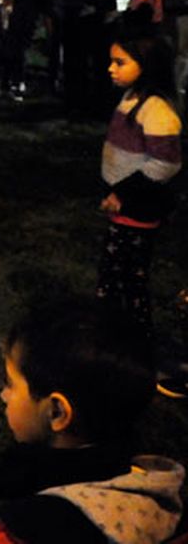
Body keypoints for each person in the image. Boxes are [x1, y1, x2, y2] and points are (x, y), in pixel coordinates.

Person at [0, 297, 183, 544]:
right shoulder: (159, 499)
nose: (3, 396)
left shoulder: (31, 528)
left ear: (57, 412)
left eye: (12, 385)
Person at [97, 33, 181, 347]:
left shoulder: (157, 111)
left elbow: (165, 164)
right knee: (114, 275)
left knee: (128, 279)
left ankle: (135, 340)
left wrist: (123, 193)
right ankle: (113, 332)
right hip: (125, 206)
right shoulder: (131, 97)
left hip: (139, 208)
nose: (111, 68)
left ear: (147, 66)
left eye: (120, 62)